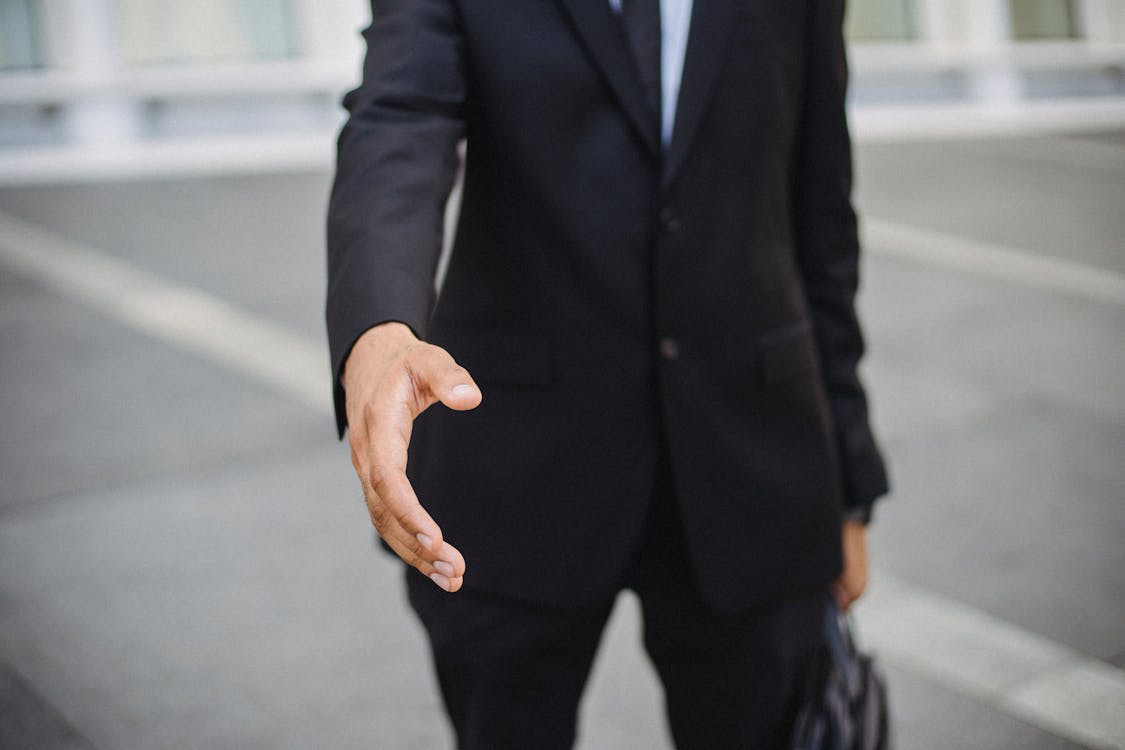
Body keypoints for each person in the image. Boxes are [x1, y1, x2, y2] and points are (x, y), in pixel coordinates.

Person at [326, 0, 889, 747]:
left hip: (751, 465)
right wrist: (380, 331)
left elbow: (820, 218)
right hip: (515, 470)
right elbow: (397, 121)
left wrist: (848, 487)